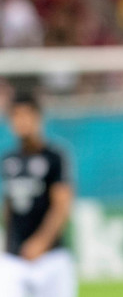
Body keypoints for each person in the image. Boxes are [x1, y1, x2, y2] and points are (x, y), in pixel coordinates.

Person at [0, 93, 76, 297]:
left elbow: (62, 205)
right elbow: (9, 204)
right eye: (16, 116)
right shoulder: (9, 160)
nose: (21, 121)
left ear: (38, 117)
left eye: (26, 115)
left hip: (51, 257)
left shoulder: (54, 157)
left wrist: (41, 242)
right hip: (14, 259)